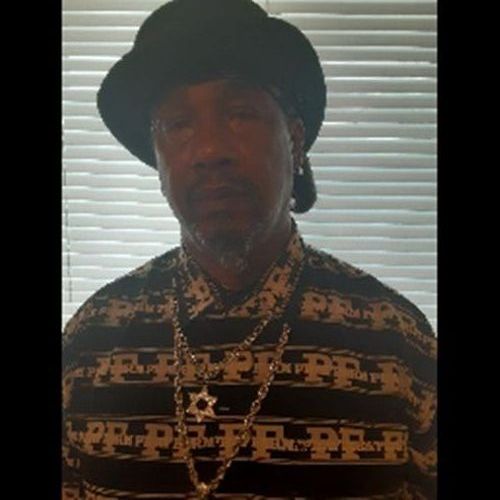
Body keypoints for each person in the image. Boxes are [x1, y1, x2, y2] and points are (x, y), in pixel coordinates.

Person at [62, 0, 437, 498]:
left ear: (295, 141)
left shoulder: (397, 345)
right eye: (178, 124)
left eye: (241, 114)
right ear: (159, 159)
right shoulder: (91, 344)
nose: (210, 150)